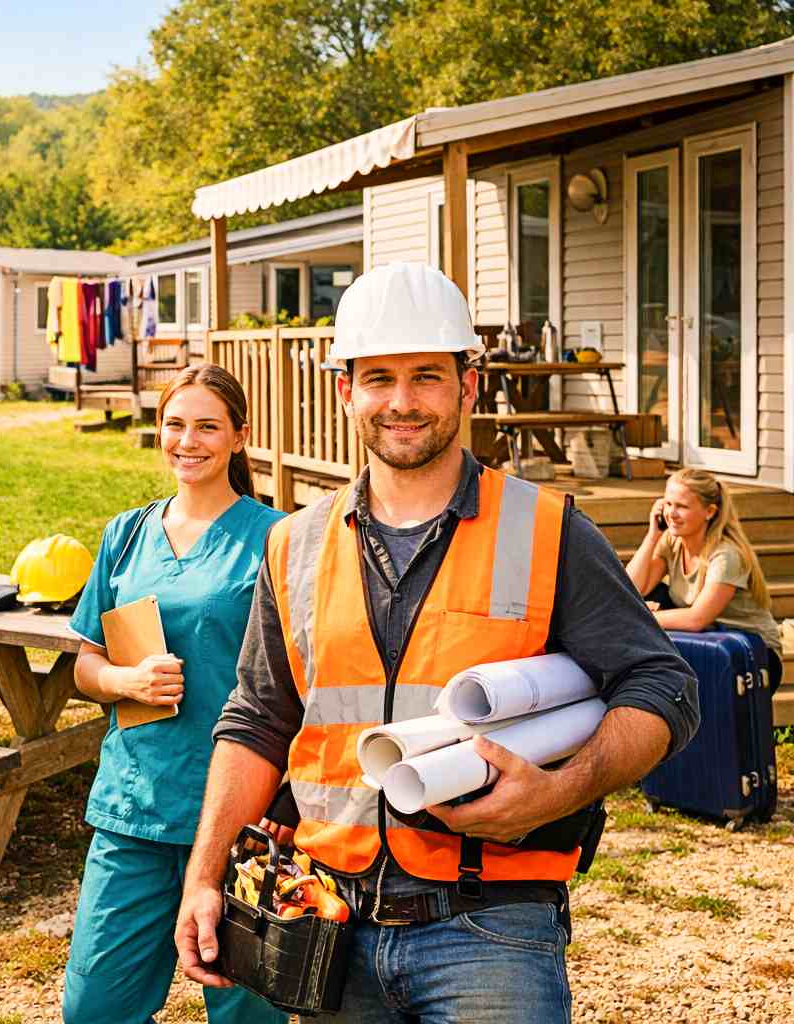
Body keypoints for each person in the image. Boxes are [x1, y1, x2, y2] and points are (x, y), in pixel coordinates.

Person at [173, 262, 700, 1022]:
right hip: (329, 922)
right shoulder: (293, 545)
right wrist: (204, 874)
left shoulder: (547, 529)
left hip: (493, 926)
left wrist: (562, 789)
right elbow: (257, 718)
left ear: (468, 385)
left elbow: (663, 686)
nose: (402, 402)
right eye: (379, 377)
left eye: (426, 376)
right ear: (346, 388)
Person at [61, 364, 289, 1024]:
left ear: (240, 438)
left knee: (247, 1015)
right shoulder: (125, 535)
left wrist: (285, 799)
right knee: (95, 1009)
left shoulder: (277, 539)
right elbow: (86, 663)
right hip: (135, 807)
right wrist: (121, 681)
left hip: (245, 816)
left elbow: (309, 682)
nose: (188, 441)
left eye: (208, 427)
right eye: (175, 424)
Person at [627, 467, 782, 691]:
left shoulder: (726, 555)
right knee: (654, 594)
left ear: (709, 511)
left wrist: (644, 618)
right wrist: (652, 536)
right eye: (668, 504)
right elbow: (632, 589)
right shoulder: (672, 541)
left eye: (681, 506)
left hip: (752, 655)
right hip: (709, 644)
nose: (671, 513)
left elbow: (696, 619)